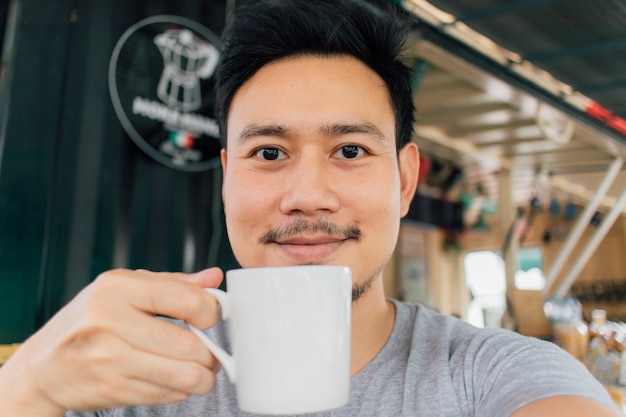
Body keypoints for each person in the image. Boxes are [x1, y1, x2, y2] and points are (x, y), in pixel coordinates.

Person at [0, 1, 621, 416]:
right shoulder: (133, 376)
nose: (306, 196)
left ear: (404, 182)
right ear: (225, 180)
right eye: (269, 152)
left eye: (349, 149)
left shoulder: (488, 373)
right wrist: (26, 386)